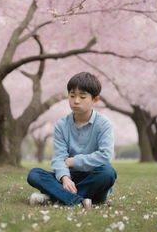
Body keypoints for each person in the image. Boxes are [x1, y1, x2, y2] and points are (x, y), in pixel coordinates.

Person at [27, 72, 117, 209]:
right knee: (34, 174)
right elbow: (58, 158)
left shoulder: (103, 124)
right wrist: (65, 178)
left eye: (82, 96)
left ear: (95, 99)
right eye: (72, 95)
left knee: (108, 173)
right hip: (69, 178)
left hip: (93, 179)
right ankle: (79, 201)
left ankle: (55, 197)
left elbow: (105, 156)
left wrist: (73, 161)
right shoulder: (61, 125)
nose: (76, 101)